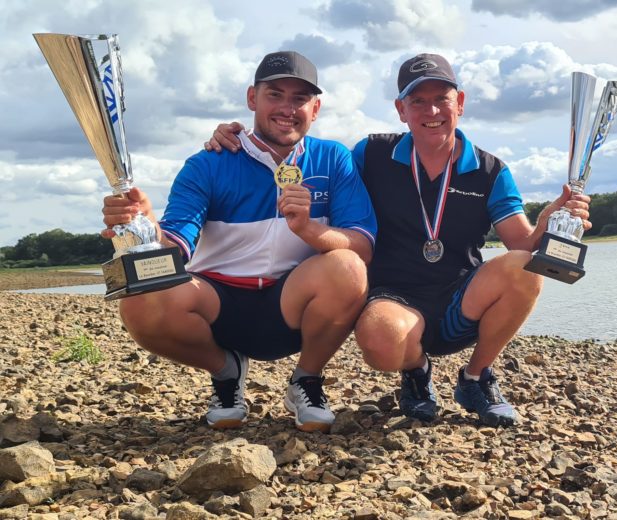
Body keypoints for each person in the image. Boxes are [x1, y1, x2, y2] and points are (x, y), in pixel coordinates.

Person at [205, 53, 591, 428]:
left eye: (441, 99)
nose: (432, 111)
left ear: (460, 102)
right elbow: (305, 158)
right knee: (379, 339)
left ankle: (476, 379)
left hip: (462, 297)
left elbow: (521, 246)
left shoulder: (490, 170)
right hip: (393, 295)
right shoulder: (371, 153)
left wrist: (548, 226)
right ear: (400, 109)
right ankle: (416, 372)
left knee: (524, 269)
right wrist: (244, 141)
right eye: (417, 101)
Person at [102, 51, 377, 433]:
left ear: (316, 108)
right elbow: (179, 245)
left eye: (300, 98)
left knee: (347, 266)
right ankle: (226, 372)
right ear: (252, 98)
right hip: (218, 304)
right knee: (140, 301)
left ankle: (306, 380)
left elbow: (362, 246)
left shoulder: (334, 159)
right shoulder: (208, 162)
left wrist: (309, 231)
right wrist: (145, 227)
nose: (287, 108)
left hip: (290, 302)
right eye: (274, 94)